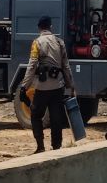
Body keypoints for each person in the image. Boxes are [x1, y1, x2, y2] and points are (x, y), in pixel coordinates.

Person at [20, 15, 74, 152]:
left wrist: (24, 86)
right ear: (51, 27)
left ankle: (40, 146)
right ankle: (56, 147)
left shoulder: (37, 43)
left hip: (42, 88)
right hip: (58, 87)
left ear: (39, 28)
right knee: (56, 118)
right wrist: (70, 86)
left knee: (36, 115)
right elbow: (66, 66)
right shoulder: (59, 42)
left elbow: (32, 66)